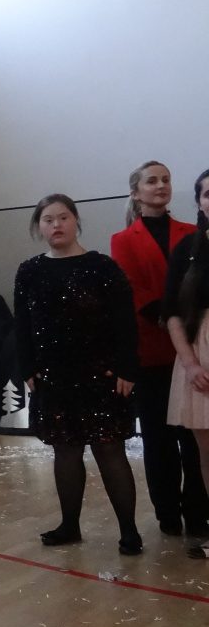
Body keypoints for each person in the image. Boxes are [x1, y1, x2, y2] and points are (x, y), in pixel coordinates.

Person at [14, 194, 142, 555]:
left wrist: (127, 367)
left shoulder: (102, 267)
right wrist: (27, 368)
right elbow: (22, 325)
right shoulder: (29, 271)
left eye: (63, 217)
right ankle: (69, 524)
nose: (56, 225)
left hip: (101, 375)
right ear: (39, 227)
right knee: (66, 451)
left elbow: (125, 323)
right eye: (48, 219)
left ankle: (129, 530)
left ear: (76, 222)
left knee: (109, 450)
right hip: (54, 377)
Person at [111, 161, 208, 537]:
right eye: (151, 181)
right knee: (158, 439)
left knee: (196, 441)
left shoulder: (191, 233)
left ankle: (198, 513)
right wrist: (170, 319)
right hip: (152, 350)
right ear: (136, 193)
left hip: (194, 345)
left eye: (166, 179)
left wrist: (184, 327)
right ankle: (167, 513)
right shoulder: (124, 240)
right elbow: (133, 288)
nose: (161, 185)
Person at [163, 168, 209, 558]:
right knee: (207, 454)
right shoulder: (187, 249)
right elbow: (172, 313)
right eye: (208, 194)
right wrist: (191, 364)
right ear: (199, 202)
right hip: (199, 353)